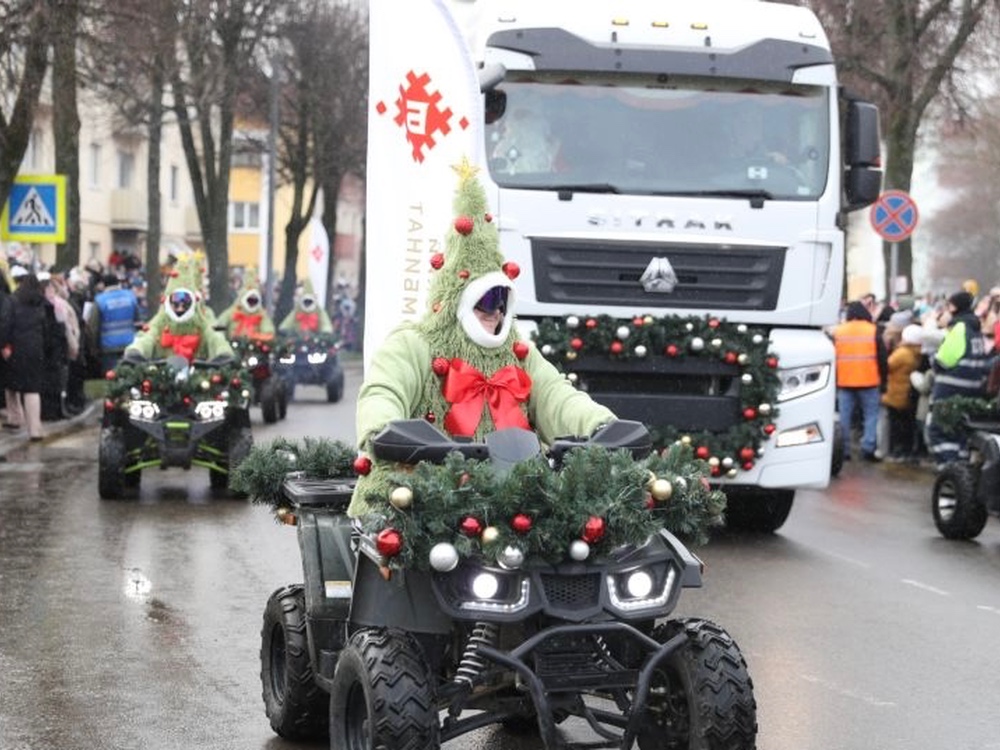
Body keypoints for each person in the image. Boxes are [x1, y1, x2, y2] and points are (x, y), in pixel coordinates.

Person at [348, 158, 615, 517]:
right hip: (419, 505)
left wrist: (602, 426)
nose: (496, 312)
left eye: (503, 300)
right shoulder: (412, 346)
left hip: (510, 505)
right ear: (458, 299)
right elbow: (382, 393)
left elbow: (560, 398)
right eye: (487, 300)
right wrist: (385, 430)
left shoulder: (519, 355)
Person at [123, 253, 233, 364]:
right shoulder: (162, 319)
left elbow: (213, 337)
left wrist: (223, 352)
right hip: (163, 374)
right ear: (168, 303)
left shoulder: (200, 319)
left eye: (185, 304)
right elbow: (148, 337)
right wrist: (136, 350)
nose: (180, 309)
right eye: (175, 304)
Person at [925, 290, 993, 469]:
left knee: (940, 431)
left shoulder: (959, 327)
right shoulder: (975, 328)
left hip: (950, 389)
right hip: (971, 389)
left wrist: (933, 358)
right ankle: (963, 472)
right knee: (960, 433)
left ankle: (950, 471)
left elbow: (944, 360)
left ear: (954, 307)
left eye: (947, 306)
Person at [0, 273, 61, 441]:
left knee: (11, 384)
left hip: (15, 350)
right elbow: (49, 330)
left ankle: (15, 417)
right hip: (36, 350)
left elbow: (5, 324)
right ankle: (35, 429)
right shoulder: (42, 304)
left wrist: (3, 344)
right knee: (32, 390)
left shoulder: (12, 301)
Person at [833, 300, 887, 462]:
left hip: (845, 381)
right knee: (870, 416)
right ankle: (868, 448)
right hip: (869, 380)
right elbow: (882, 358)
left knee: (845, 417)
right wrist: (884, 381)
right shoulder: (873, 330)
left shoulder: (839, 331)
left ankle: (844, 450)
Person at [881, 324, 923, 462]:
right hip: (908, 394)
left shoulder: (902, 353)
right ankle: (907, 452)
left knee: (896, 426)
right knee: (907, 425)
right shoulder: (918, 353)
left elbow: (887, 365)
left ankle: (895, 452)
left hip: (895, 394)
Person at [88, 272, 141, 372]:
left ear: (104, 285)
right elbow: (138, 321)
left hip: (109, 347)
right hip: (130, 343)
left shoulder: (100, 300)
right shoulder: (130, 296)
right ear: (118, 283)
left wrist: (94, 348)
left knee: (112, 377)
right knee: (130, 375)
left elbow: (93, 327)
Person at [216, 268, 276, 341]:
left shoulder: (261, 315)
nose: (252, 303)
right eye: (250, 300)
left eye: (254, 301)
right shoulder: (232, 312)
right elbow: (219, 326)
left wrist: (257, 337)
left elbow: (268, 331)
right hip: (232, 347)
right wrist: (221, 340)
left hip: (255, 347)